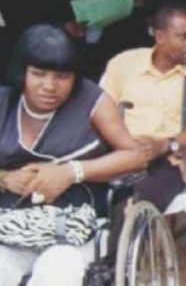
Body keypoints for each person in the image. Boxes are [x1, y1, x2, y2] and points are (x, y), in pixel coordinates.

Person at [0, 25, 146, 285]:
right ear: (21, 72)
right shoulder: (4, 102)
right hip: (8, 225)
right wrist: (5, 178)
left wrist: (71, 172)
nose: (49, 86)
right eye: (38, 74)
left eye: (62, 76)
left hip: (73, 228)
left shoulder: (91, 100)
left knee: (58, 272)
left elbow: (135, 156)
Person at [100, 4, 186, 239]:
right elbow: (100, 111)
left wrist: (166, 144)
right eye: (183, 36)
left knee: (132, 202)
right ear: (159, 36)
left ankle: (119, 260)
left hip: (167, 162)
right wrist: (124, 143)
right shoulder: (124, 64)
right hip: (120, 152)